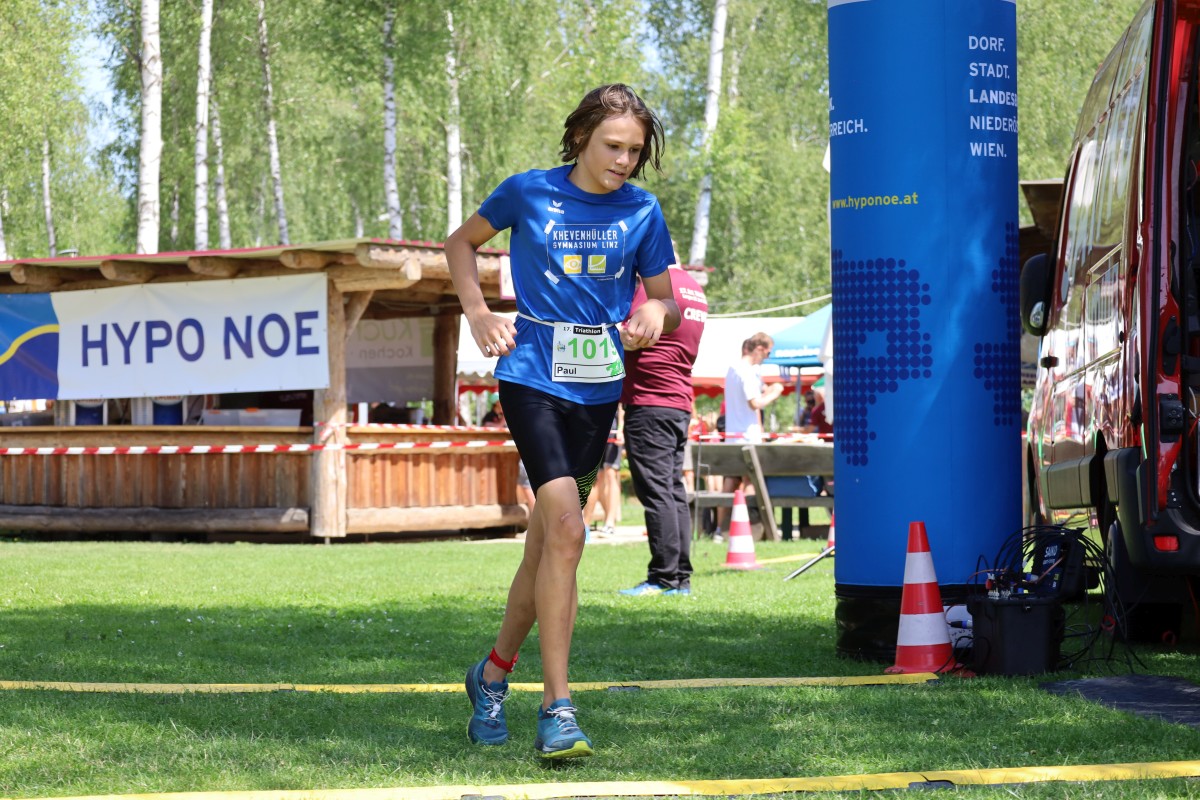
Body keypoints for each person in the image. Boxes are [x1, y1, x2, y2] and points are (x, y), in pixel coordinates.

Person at [446, 83, 680, 760]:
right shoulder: (529, 191)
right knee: (571, 531)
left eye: (634, 151)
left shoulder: (642, 210)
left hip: (597, 388)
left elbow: (666, 300)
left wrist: (652, 313)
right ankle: (558, 707)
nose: (624, 162)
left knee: (547, 546)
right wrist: (479, 313)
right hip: (530, 379)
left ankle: (492, 674)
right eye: (613, 146)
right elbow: (460, 244)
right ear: (581, 137)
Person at [619, 258, 707, 596]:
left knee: (657, 491)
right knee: (672, 490)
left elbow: (634, 334)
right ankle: (679, 577)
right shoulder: (694, 289)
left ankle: (663, 577)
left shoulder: (656, 286)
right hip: (678, 400)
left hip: (649, 400)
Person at [714, 333, 783, 540]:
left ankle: (719, 530)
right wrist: (775, 393)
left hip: (733, 436)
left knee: (730, 483)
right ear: (759, 349)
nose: (767, 358)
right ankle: (749, 529)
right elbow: (755, 403)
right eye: (768, 353)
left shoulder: (733, 370)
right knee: (750, 481)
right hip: (747, 437)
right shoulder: (747, 371)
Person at [582, 411, 623, 537]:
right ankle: (586, 524)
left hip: (613, 432)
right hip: (594, 431)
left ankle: (610, 523)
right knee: (594, 478)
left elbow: (622, 407)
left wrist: (621, 429)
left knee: (611, 474)